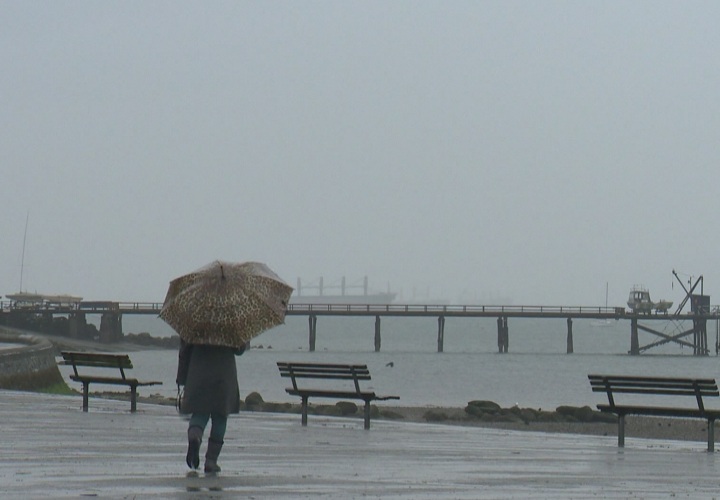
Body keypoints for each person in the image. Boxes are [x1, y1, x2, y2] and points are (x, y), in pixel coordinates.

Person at [176, 339, 245, 473]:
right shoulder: (229, 322)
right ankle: (211, 461)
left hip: (198, 373)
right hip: (223, 374)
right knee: (220, 416)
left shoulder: (194, 322)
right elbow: (240, 349)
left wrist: (182, 378)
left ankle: (194, 437)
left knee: (200, 413)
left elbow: (184, 351)